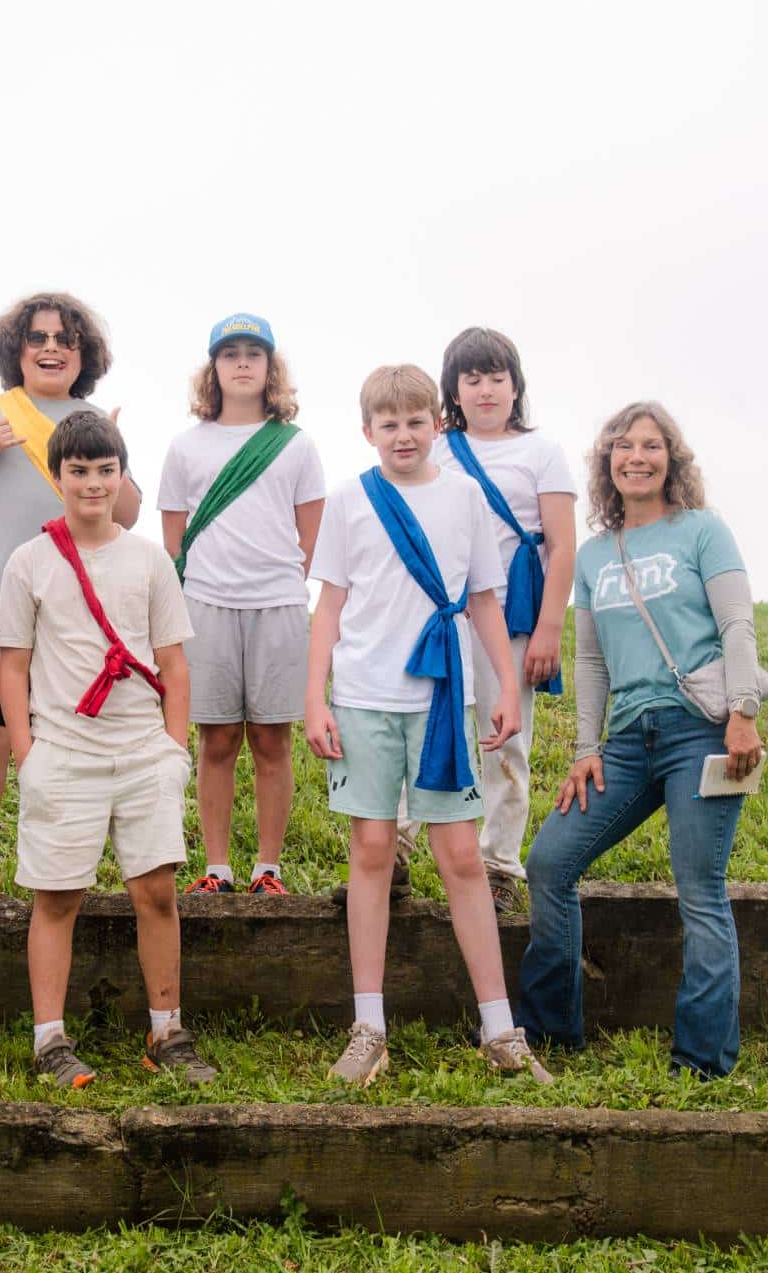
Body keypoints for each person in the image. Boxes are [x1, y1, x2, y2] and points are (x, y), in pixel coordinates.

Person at [304, 364, 552, 1088]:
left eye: (416, 422)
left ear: (436, 425)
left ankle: (500, 1029)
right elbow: (329, 607)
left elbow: (484, 600)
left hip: (445, 697)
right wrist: (315, 698)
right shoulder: (350, 499)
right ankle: (368, 1027)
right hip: (364, 695)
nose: (403, 435)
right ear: (367, 431)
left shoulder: (465, 495)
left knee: (462, 856)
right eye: (389, 424)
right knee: (373, 848)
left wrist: (505, 687)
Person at [516, 401, 766, 1080]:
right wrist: (585, 748)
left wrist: (743, 710)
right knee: (549, 863)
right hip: (627, 741)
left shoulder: (703, 531)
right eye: (624, 445)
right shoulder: (596, 555)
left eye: (651, 445)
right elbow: (592, 660)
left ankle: (702, 1061)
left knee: (700, 891)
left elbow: (737, 626)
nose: (637, 456)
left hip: (700, 732)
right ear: (608, 462)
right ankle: (551, 1033)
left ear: (671, 458)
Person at [0, 411, 216, 1089]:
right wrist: (28, 755)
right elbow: (12, 665)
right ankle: (49, 1040)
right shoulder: (29, 562)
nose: (93, 483)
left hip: (143, 750)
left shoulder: (149, 558)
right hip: (64, 750)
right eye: (79, 470)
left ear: (122, 475)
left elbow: (174, 663)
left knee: (156, 891)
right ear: (56, 475)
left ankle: (167, 1030)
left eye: (105, 470)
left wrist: (174, 750)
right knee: (57, 897)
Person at [0, 292, 141, 893]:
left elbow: (129, 514)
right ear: (16, 350)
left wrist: (113, 451)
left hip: (78, 609)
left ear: (83, 353)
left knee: (68, 735)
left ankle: (67, 859)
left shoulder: (92, 421)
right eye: (38, 338)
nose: (51, 349)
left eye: (64, 339)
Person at [394, 328, 577, 911]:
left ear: (516, 385)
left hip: (514, 617)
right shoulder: (439, 449)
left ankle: (499, 864)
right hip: (444, 616)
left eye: (497, 377)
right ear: (453, 390)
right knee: (420, 727)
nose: (486, 390)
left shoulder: (542, 452)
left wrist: (549, 629)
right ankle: (395, 848)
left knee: (505, 741)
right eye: (472, 379)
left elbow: (562, 547)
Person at [159, 314, 324, 896]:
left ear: (271, 366)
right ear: (214, 368)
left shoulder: (296, 445)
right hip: (207, 604)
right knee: (218, 739)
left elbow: (311, 536)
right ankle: (218, 867)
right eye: (230, 353)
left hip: (278, 604)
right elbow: (174, 539)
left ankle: (267, 869)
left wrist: (275, 582)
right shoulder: (186, 446)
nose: (243, 363)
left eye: (255, 352)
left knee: (273, 740)